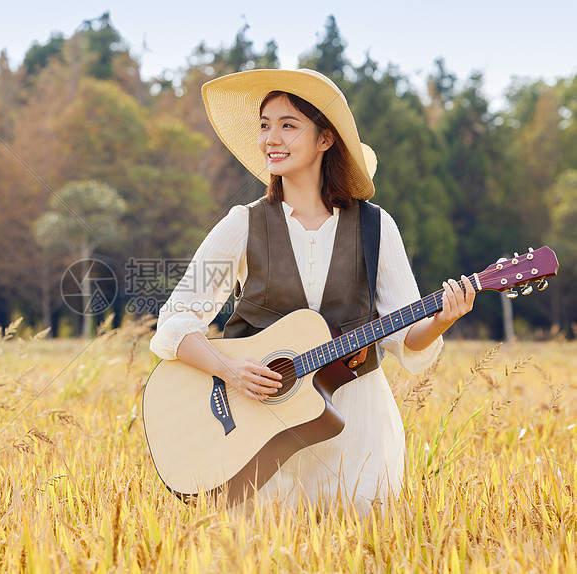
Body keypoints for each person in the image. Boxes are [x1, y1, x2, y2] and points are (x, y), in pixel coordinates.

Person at [149, 69, 475, 515]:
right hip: (257, 418)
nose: (270, 138)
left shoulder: (377, 227)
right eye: (265, 124)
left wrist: (443, 318)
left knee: (357, 545)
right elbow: (176, 321)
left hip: (354, 417)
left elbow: (406, 340)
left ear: (325, 139)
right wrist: (230, 369)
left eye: (287, 124)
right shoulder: (243, 223)